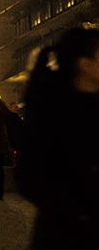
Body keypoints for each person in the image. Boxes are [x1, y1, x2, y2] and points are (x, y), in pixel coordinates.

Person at [18, 28, 99, 247]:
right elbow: (29, 177)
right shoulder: (53, 111)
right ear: (85, 64)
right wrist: (78, 214)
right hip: (64, 236)